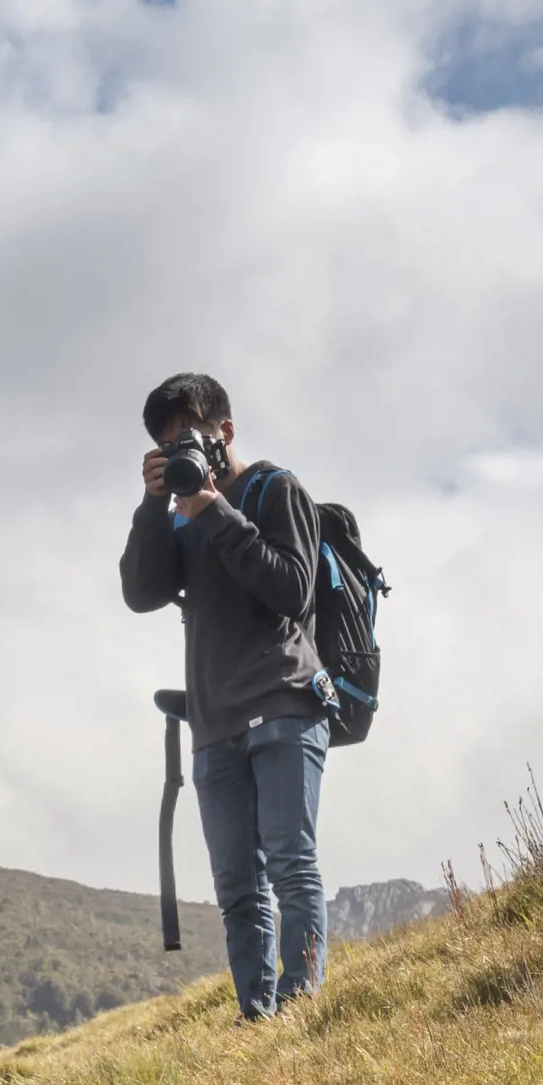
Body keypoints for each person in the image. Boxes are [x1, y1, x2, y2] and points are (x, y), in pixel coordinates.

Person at [119, 373, 331, 1019]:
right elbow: (140, 593)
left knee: (289, 866)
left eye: (187, 439)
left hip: (283, 705)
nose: (180, 452)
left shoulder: (274, 488)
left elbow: (293, 590)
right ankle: (255, 1017)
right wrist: (155, 505)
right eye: (165, 446)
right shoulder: (180, 517)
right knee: (236, 889)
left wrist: (215, 508)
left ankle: (300, 1009)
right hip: (212, 724)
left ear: (225, 433)